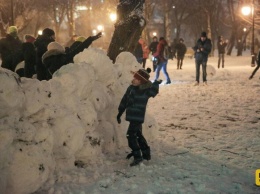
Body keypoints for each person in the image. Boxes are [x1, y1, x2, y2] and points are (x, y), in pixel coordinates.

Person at [116, 68, 161, 166]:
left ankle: (138, 156)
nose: (133, 80)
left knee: (131, 135)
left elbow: (153, 92)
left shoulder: (145, 91)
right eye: (134, 78)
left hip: (138, 117)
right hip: (131, 116)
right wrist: (120, 112)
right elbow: (124, 100)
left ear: (141, 81)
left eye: (136, 79)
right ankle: (145, 153)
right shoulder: (131, 88)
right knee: (138, 135)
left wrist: (156, 83)